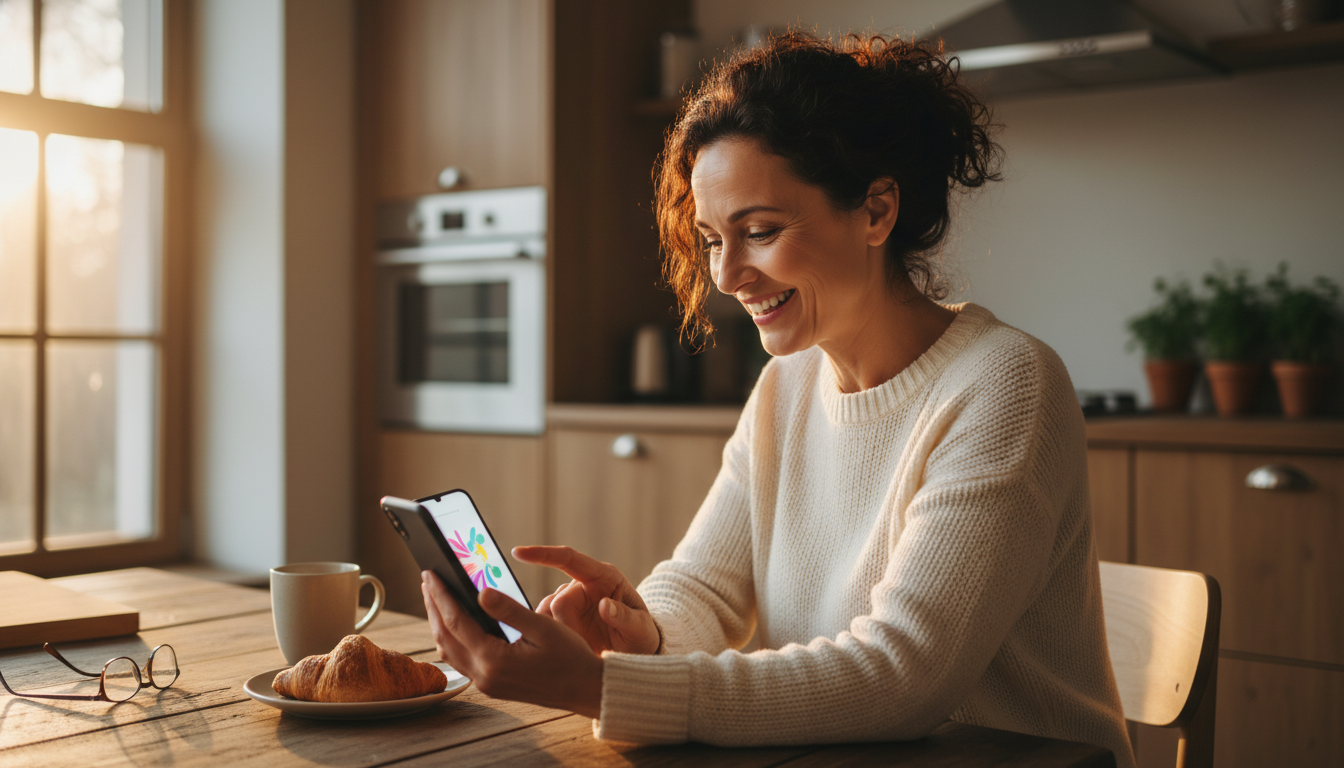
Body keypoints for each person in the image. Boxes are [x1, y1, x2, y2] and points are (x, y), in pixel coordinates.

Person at [421, 31, 1135, 767]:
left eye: (759, 231)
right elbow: (706, 587)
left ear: (876, 212)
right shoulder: (786, 386)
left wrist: (606, 689)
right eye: (709, 239)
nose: (728, 275)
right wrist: (642, 632)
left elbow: (903, 675)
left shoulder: (1004, 385)